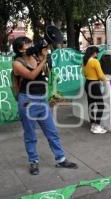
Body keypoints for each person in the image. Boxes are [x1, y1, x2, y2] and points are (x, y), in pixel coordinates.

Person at [12, 36, 78, 175]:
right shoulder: (17, 63)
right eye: (27, 44)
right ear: (20, 49)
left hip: (41, 100)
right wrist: (43, 60)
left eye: (31, 43)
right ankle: (33, 162)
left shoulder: (36, 57)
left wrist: (43, 59)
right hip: (28, 101)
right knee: (30, 135)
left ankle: (61, 159)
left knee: (52, 132)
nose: (30, 45)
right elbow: (31, 75)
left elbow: (45, 74)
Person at [83, 46, 107, 134]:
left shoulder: (85, 61)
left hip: (87, 83)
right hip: (94, 85)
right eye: (96, 52)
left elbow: (84, 73)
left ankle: (93, 125)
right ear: (93, 53)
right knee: (101, 105)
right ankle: (97, 126)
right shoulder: (95, 61)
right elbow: (100, 75)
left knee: (91, 105)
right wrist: (106, 80)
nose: (97, 54)